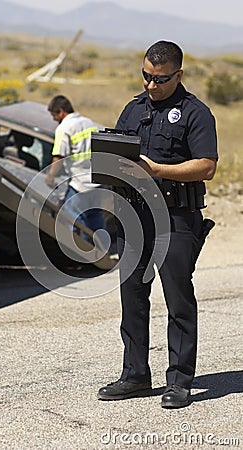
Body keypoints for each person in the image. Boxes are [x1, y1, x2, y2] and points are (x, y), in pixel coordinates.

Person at [97, 41, 218, 408]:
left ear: (178, 75)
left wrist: (157, 170)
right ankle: (135, 375)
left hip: (176, 218)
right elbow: (116, 155)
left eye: (160, 80)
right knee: (132, 297)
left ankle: (179, 381)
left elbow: (207, 166)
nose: (151, 86)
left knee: (178, 298)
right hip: (134, 217)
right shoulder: (133, 109)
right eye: (146, 76)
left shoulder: (196, 112)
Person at [46, 95, 107, 244]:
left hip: (79, 183)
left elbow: (59, 157)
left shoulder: (64, 128)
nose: (54, 119)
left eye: (54, 115)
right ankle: (102, 248)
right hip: (96, 181)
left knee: (72, 219)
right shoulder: (89, 123)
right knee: (94, 216)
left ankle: (82, 252)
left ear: (61, 112)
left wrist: (50, 177)